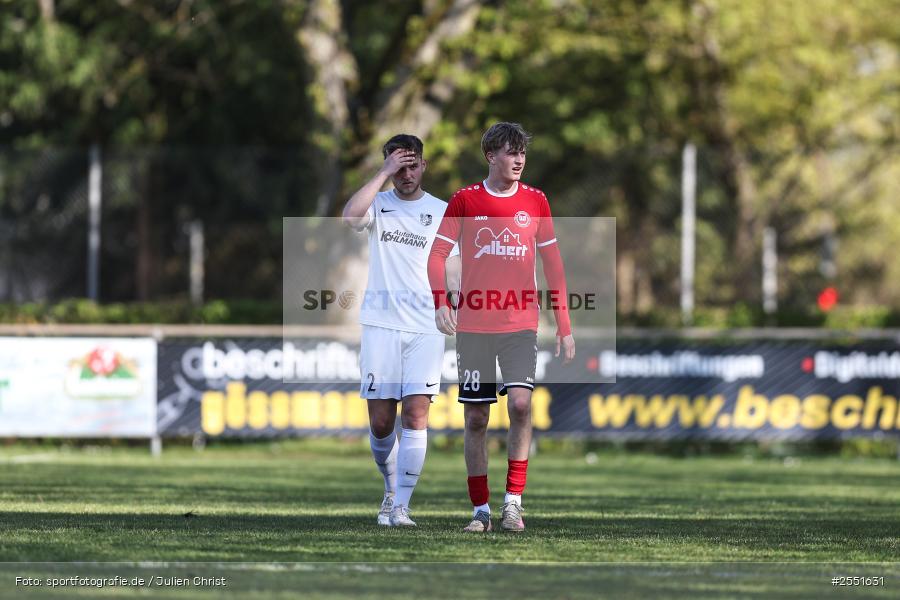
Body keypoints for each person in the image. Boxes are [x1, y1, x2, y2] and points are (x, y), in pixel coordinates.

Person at [426, 122, 575, 532]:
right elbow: (437, 256)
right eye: (511, 152)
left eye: (522, 152)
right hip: (474, 326)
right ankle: (480, 511)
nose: (519, 159)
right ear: (491, 156)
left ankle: (513, 502)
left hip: (521, 323)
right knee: (476, 418)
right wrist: (443, 303)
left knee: (522, 405)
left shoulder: (536, 200)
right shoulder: (464, 200)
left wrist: (564, 325)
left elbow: (554, 267)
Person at [342, 134, 460, 527]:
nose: (406, 174)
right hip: (381, 326)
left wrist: (452, 303)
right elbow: (348, 217)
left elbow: (455, 268)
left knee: (416, 413)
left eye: (412, 166)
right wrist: (383, 172)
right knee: (380, 422)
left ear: (424, 166)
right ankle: (390, 488)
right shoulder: (379, 204)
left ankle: (401, 506)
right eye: (399, 167)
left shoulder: (443, 211)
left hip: (426, 326)